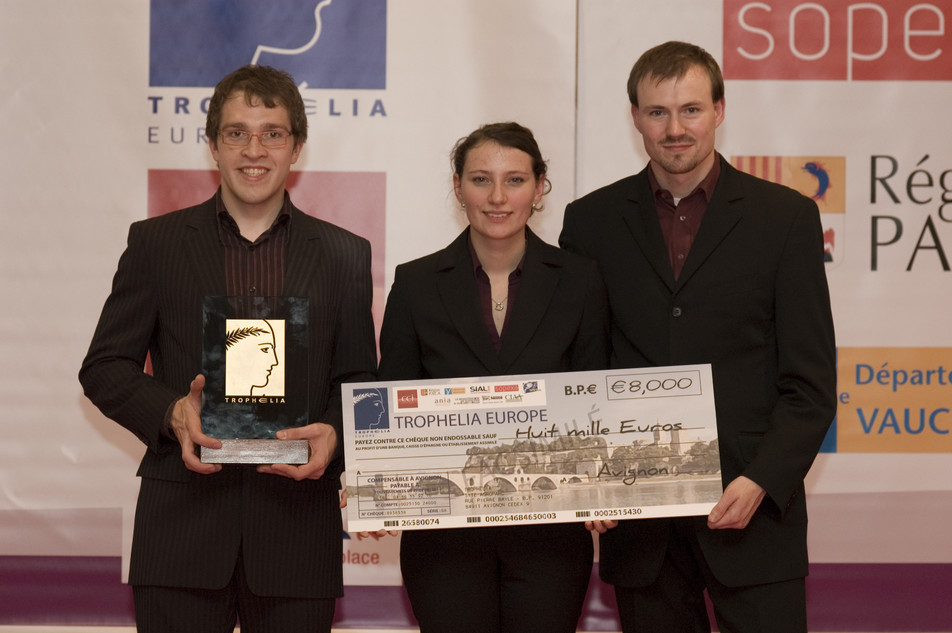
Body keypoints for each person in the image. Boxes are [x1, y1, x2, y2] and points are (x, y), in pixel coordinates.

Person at [79, 64, 376, 632]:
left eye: (273, 133)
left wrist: (336, 433)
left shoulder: (345, 254)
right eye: (237, 133)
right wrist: (170, 411)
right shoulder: (156, 244)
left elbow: (359, 382)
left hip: (296, 537)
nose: (254, 150)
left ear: (297, 148)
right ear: (213, 145)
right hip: (181, 529)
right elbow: (104, 367)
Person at [559, 41, 837, 633]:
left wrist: (762, 478)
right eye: (657, 112)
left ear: (719, 109)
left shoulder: (784, 218)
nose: (675, 128)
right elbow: (581, 372)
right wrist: (588, 479)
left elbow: (809, 384)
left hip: (754, 512)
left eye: (690, 109)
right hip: (638, 523)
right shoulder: (590, 223)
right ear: (635, 117)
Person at [377, 122, 610, 633]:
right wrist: (378, 485)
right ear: (458, 187)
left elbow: (597, 397)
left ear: (540, 186)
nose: (498, 197)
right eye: (481, 180)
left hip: (551, 536)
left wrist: (603, 486)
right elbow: (390, 400)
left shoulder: (580, 280)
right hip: (443, 542)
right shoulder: (415, 283)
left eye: (515, 180)